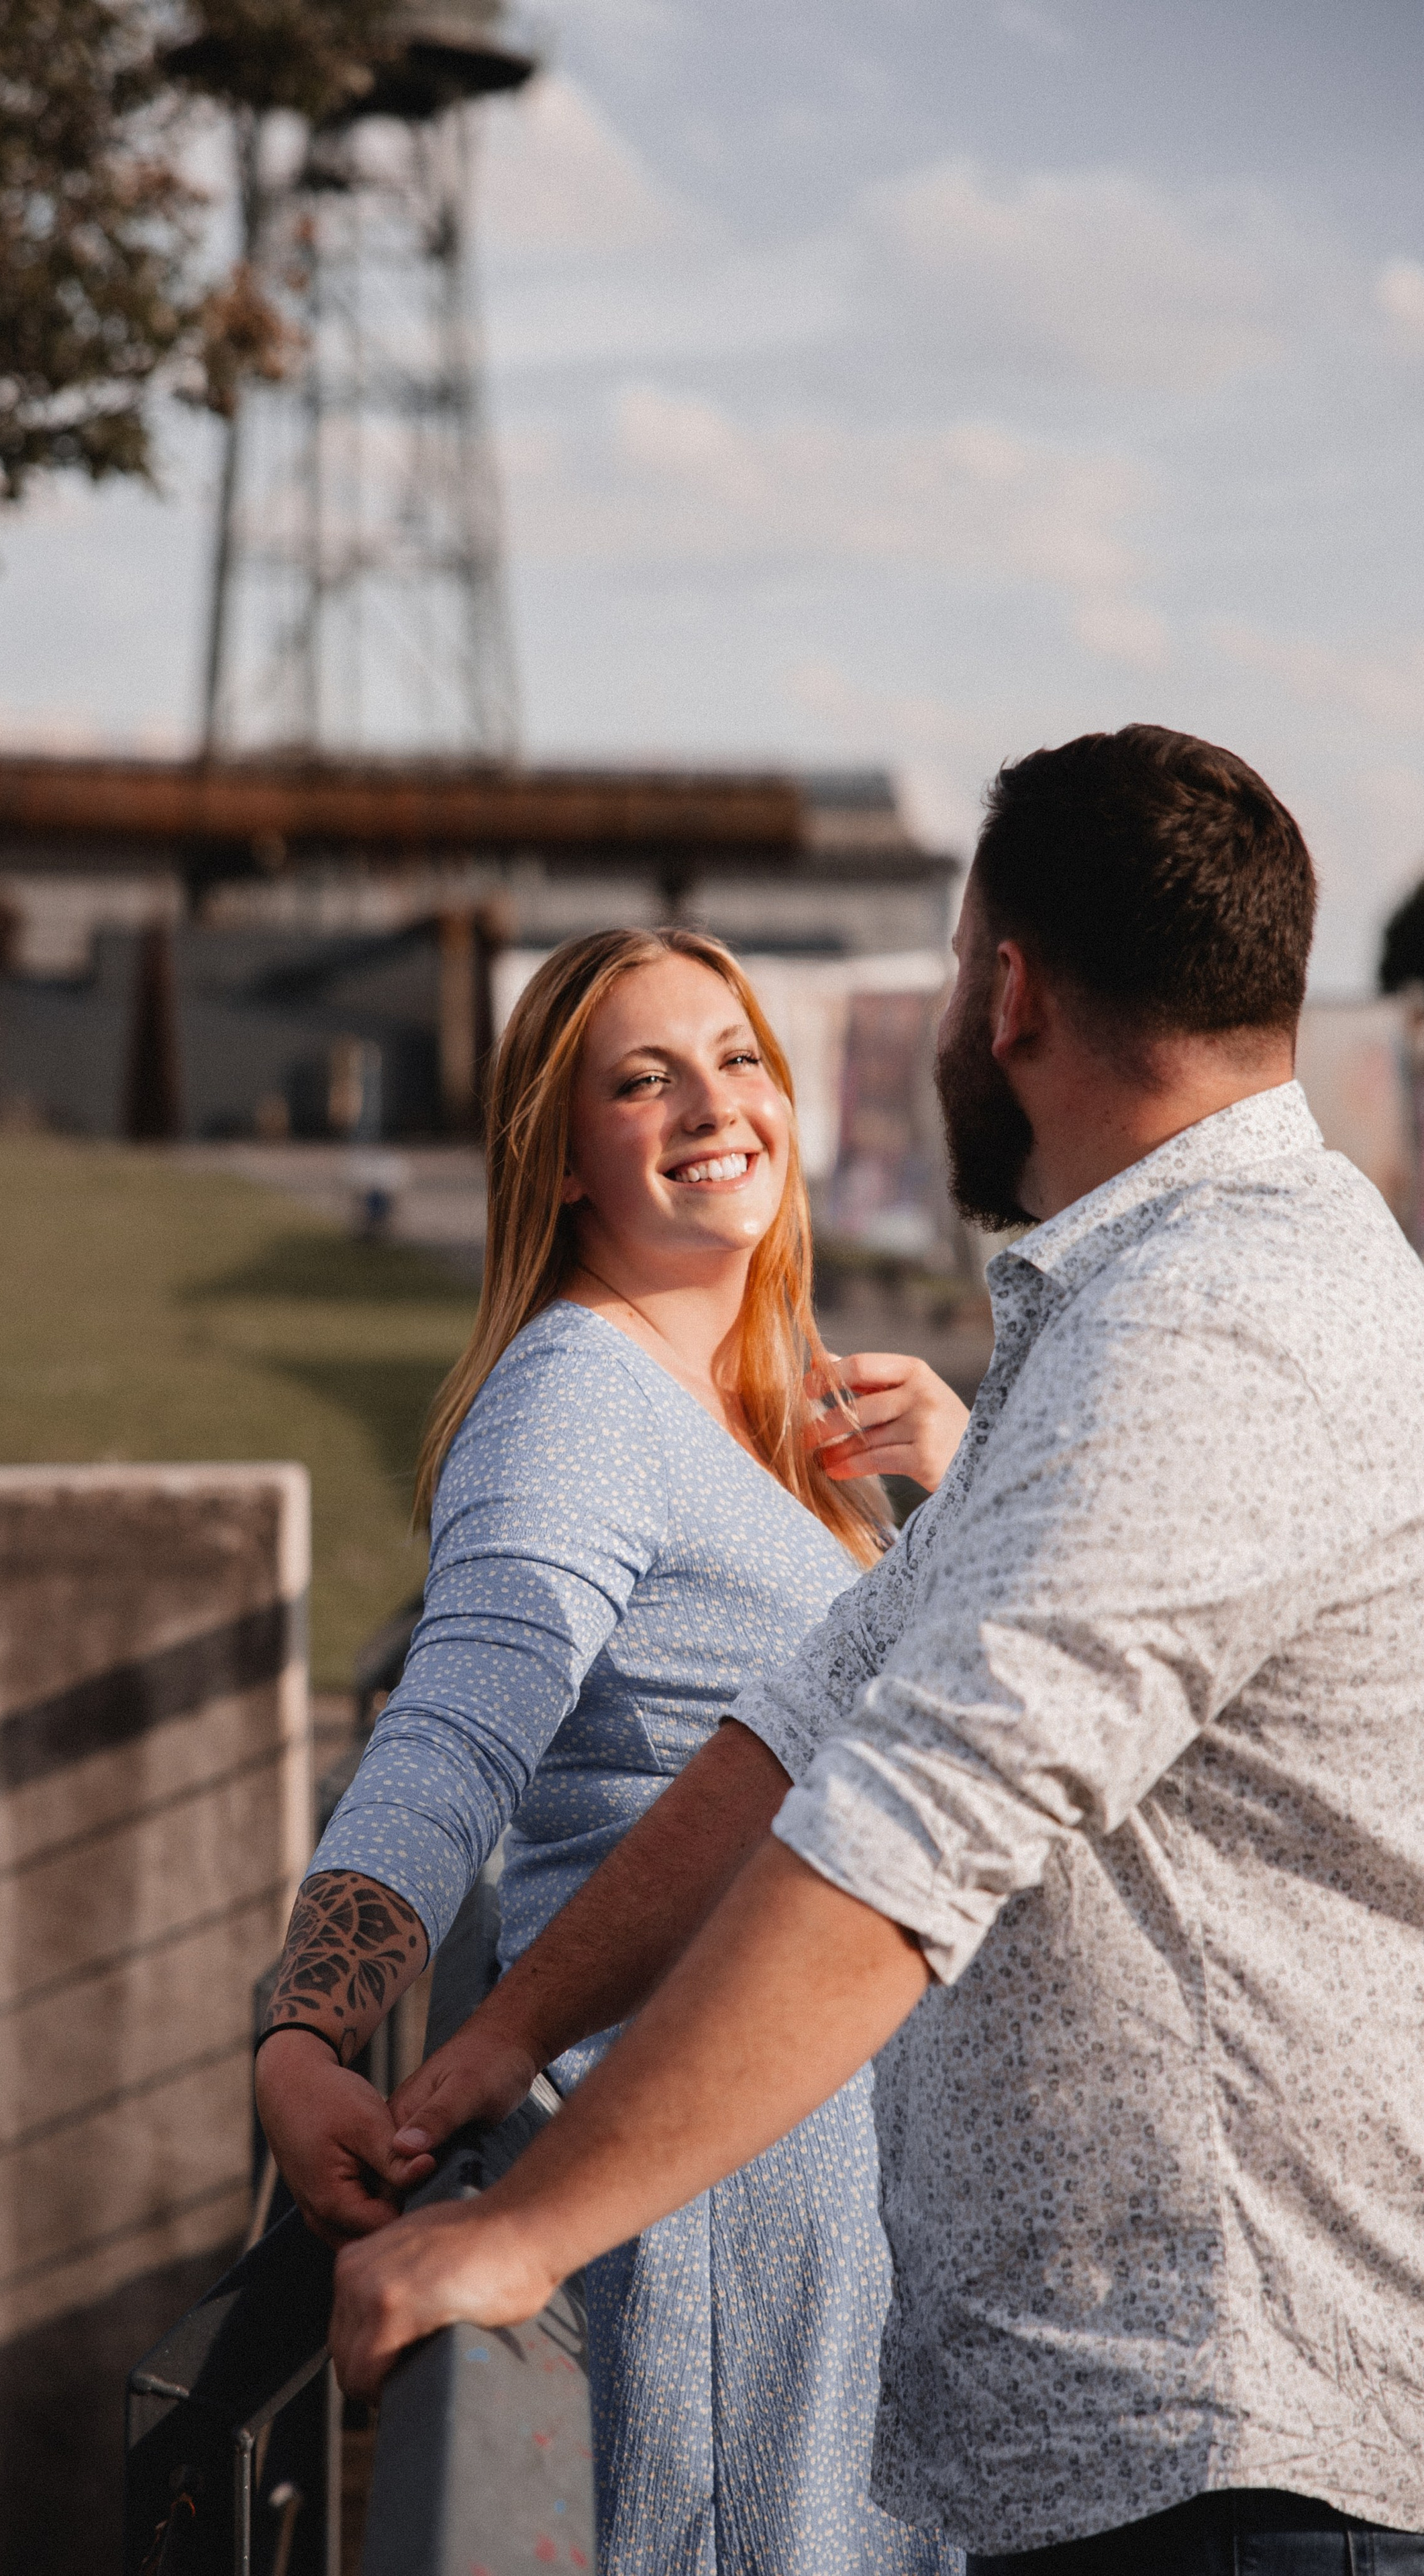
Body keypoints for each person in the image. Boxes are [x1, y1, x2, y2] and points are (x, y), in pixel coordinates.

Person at [331, 727, 1424, 2575]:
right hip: (1114, 2441)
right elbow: (800, 1728)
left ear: (1008, 996)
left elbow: (915, 1828)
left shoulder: (1217, 1329)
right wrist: (497, 2040)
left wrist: (523, 2231)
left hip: (1243, 2445)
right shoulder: (1129, 1310)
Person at [254, 924, 970, 2575]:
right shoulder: (578, 1392)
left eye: (735, 1060)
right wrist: (304, 2034)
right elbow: (453, 1736)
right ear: (563, 1160)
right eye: (640, 1079)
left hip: (821, 2187)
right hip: (713, 2208)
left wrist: (962, 1474)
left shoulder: (764, 1409)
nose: (710, 1103)